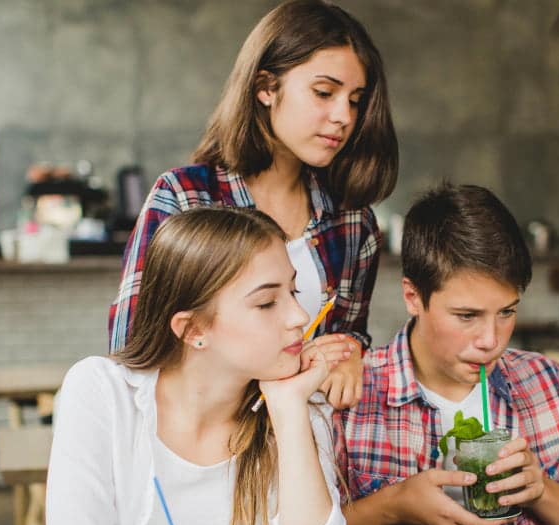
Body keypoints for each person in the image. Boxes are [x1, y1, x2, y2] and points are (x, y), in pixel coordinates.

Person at [27, 207, 355, 525]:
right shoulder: (102, 392)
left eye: (294, 291)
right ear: (193, 329)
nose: (298, 316)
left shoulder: (297, 407)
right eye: (267, 301)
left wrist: (291, 409)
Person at [108, 0, 398, 410]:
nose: (343, 117)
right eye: (324, 92)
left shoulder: (353, 223)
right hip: (198, 441)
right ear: (265, 87)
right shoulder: (183, 197)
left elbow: (344, 340)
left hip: (305, 444)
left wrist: (350, 349)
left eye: (355, 100)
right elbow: (133, 348)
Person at [335, 184, 559, 525]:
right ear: (413, 297)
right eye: (466, 316)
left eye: (507, 312)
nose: (490, 340)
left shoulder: (542, 381)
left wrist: (540, 490)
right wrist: (394, 505)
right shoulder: (354, 395)